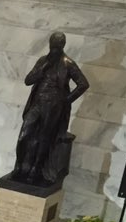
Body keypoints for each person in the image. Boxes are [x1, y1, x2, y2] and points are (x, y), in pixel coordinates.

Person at [12, 31, 90, 184]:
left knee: (44, 138)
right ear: (50, 44)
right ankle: (21, 166)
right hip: (37, 103)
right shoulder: (43, 61)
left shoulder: (68, 63)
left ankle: (36, 168)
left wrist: (66, 101)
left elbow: (83, 84)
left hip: (53, 106)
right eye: (53, 45)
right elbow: (28, 80)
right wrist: (43, 69)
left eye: (58, 46)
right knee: (24, 135)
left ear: (62, 46)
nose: (55, 48)